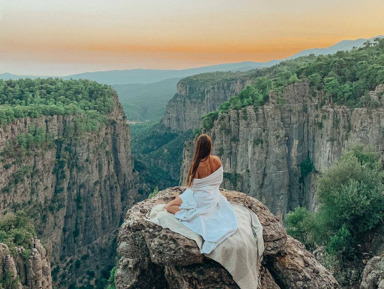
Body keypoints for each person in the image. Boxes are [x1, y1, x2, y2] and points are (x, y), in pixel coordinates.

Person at [165, 134, 238, 254]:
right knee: (181, 198)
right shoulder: (217, 160)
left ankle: (189, 214)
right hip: (213, 196)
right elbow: (218, 181)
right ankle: (190, 209)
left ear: (198, 148)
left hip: (199, 198)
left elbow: (193, 187)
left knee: (169, 207)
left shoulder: (197, 164)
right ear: (209, 146)